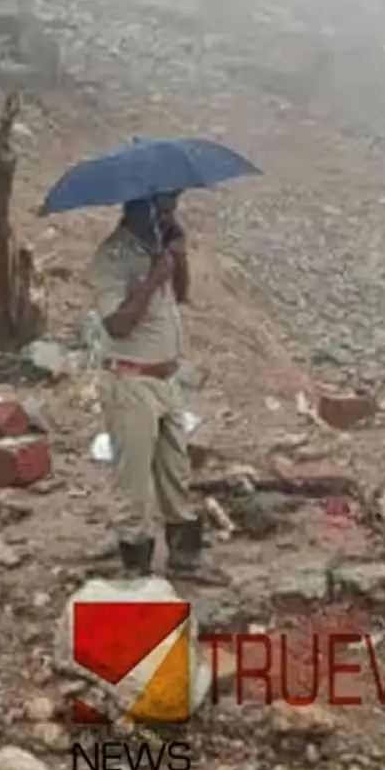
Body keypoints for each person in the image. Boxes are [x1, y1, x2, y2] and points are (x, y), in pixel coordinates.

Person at [87, 191, 219, 582]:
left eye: (172, 209)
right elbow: (116, 324)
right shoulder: (112, 257)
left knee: (175, 472)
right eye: (163, 210)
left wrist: (178, 257)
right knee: (133, 480)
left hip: (164, 380)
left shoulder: (155, 247)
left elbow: (180, 295)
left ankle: (186, 558)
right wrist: (151, 280)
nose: (170, 216)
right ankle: (136, 566)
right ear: (138, 209)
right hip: (130, 380)